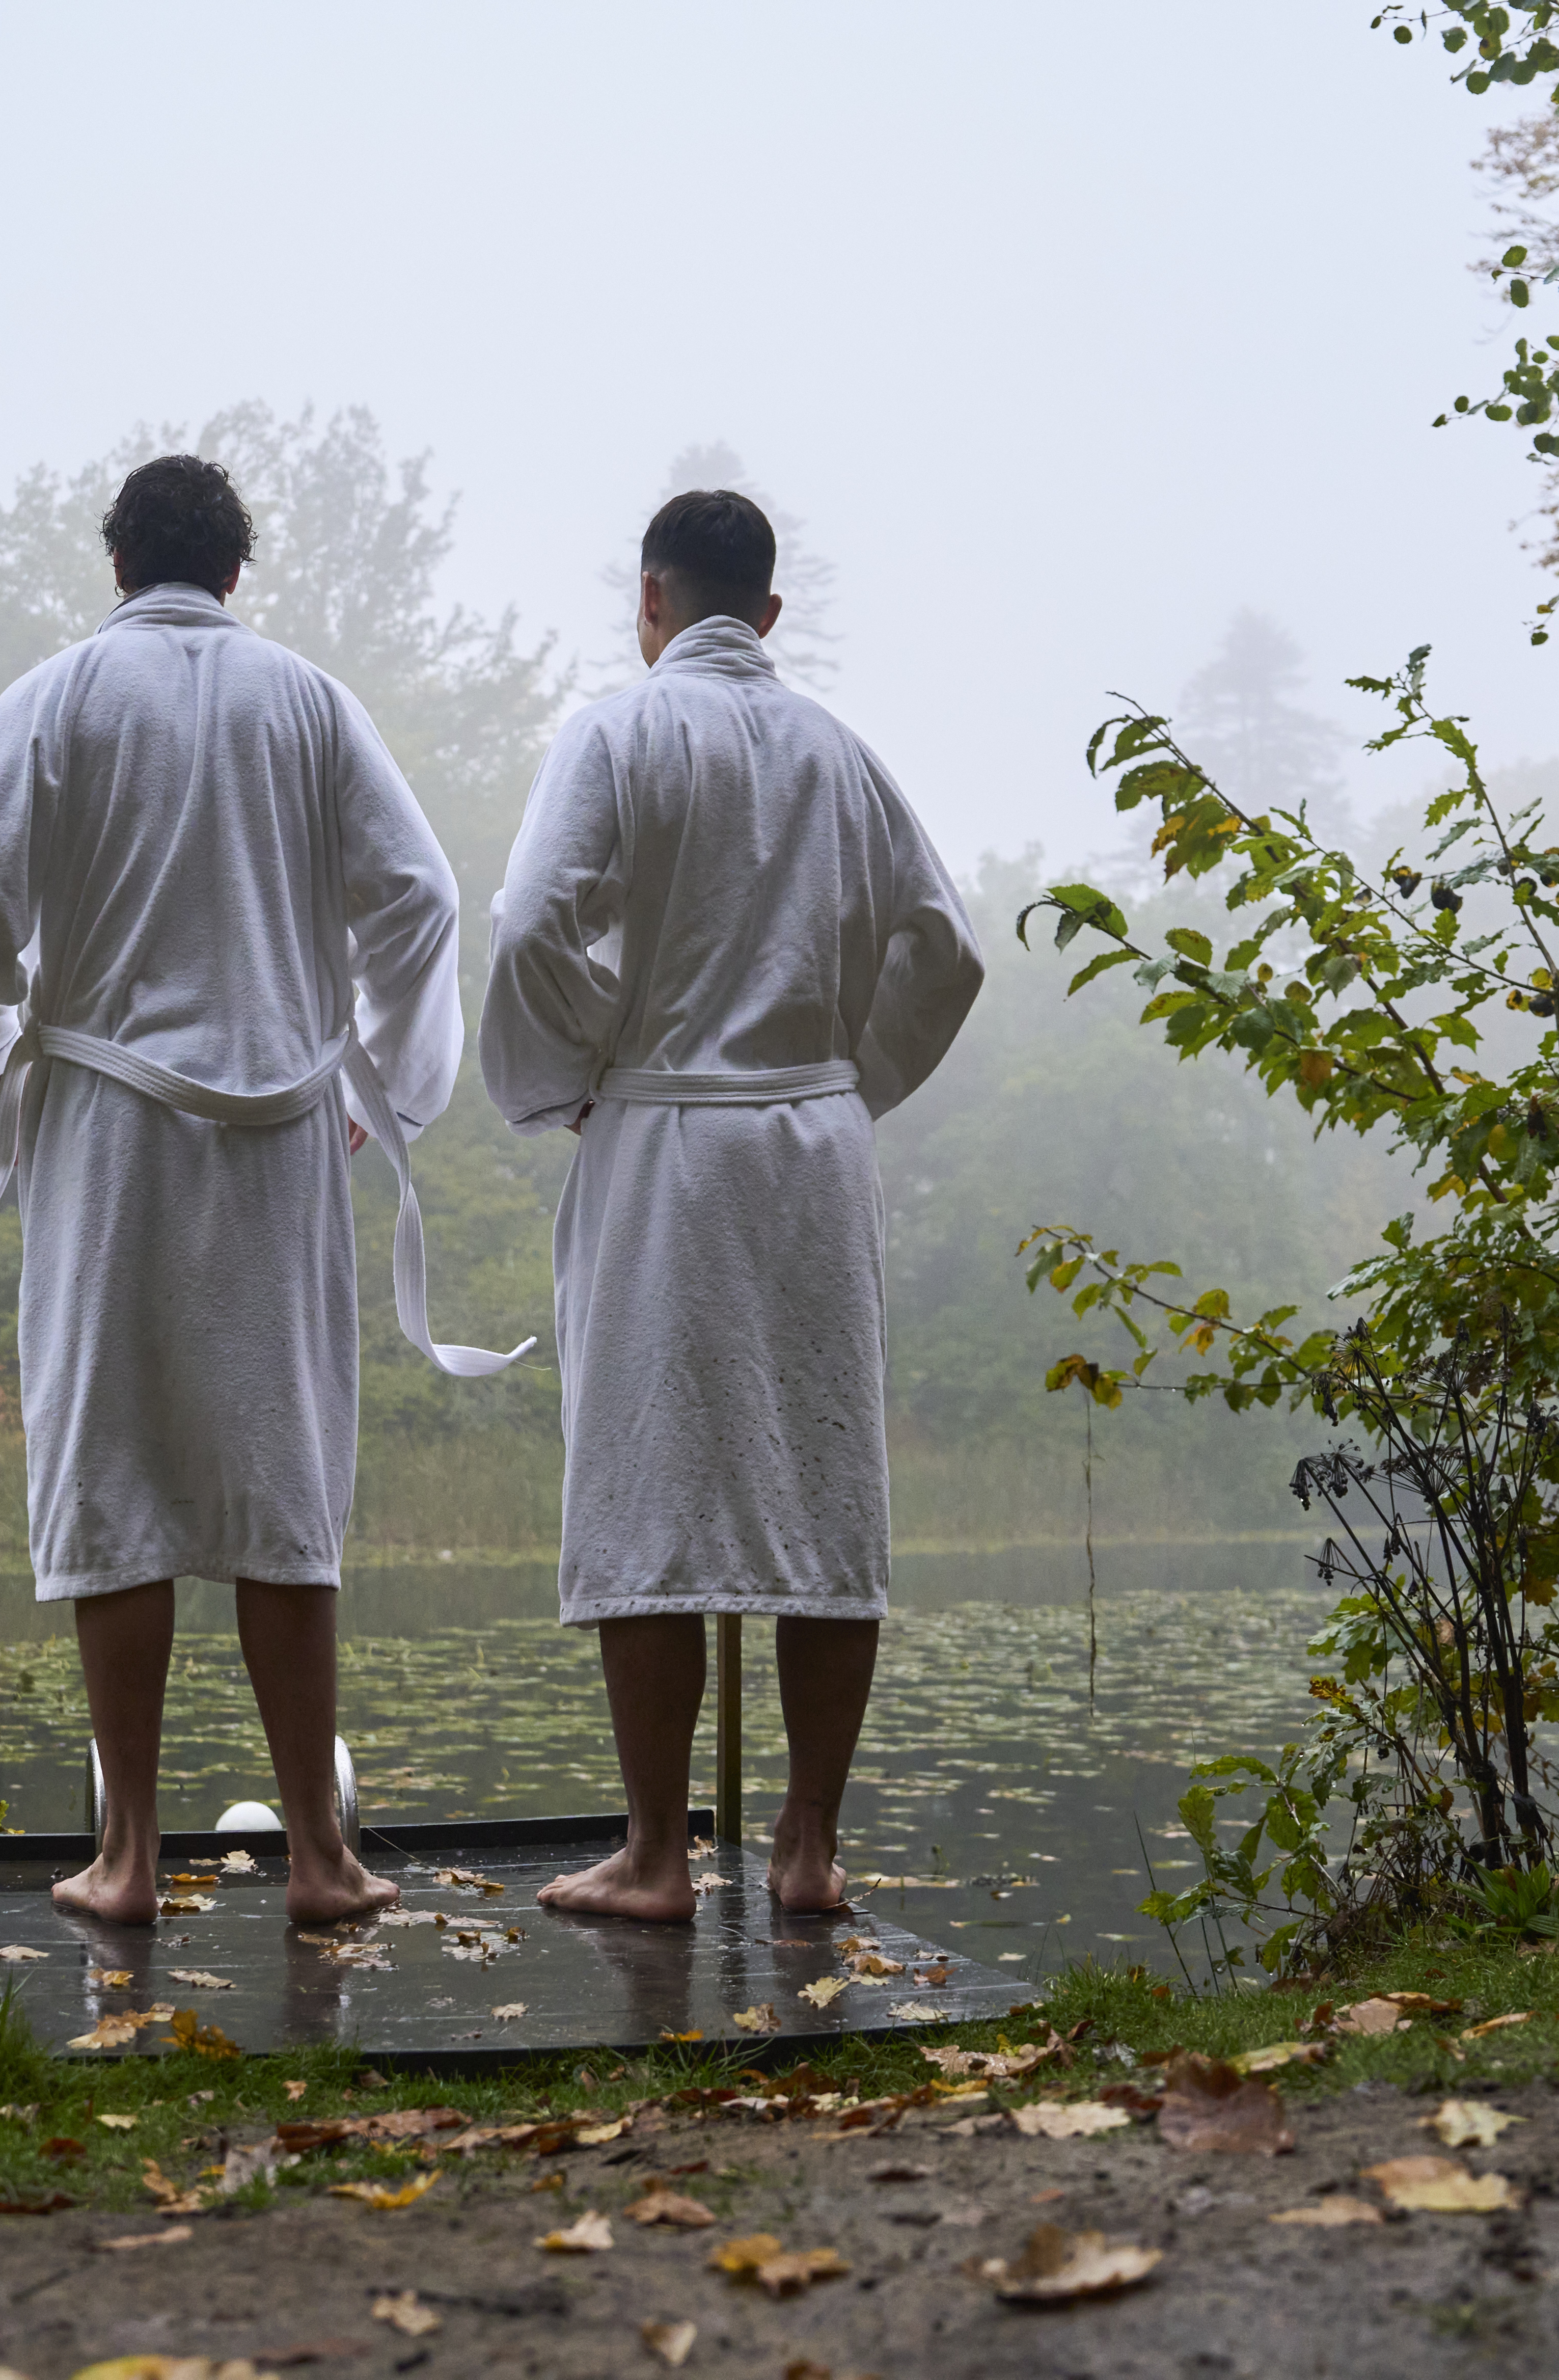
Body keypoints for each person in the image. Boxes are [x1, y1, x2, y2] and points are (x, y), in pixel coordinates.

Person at [0, 454, 521, 1927]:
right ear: (238, 570)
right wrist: (380, 1077)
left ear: (119, 567)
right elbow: (421, 896)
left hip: (107, 1132)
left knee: (117, 1473)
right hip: (283, 1133)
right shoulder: (308, 701)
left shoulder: (57, 700)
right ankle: (321, 1857)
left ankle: (130, 1856)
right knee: (282, 1477)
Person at [483, 488, 982, 1919]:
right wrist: (844, 1083)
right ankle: (808, 1852)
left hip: (665, 1146)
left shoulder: (619, 731)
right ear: (768, 614)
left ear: (649, 601)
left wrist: (565, 1077)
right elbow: (945, 949)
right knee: (826, 1487)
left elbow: (528, 924)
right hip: (812, 1152)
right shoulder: (842, 752)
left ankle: (656, 1857)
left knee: (649, 1485)